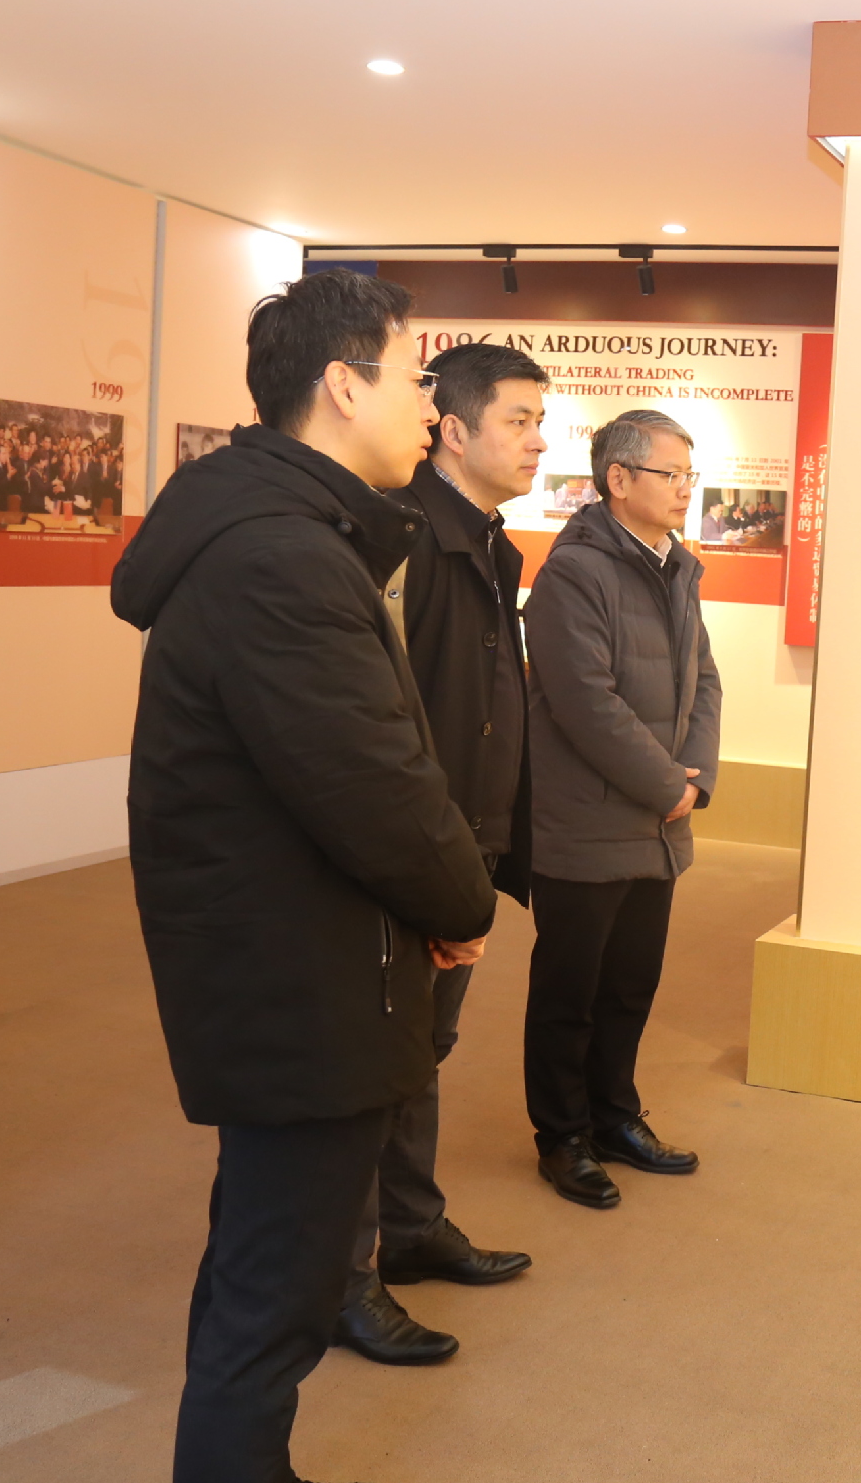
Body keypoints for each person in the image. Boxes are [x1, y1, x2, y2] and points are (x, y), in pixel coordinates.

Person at [111, 269, 495, 1483]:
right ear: (342, 385)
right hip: (298, 985)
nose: (431, 408)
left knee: (263, 1265)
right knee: (275, 1287)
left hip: (300, 965)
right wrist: (461, 901)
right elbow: (371, 782)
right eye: (416, 379)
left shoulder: (291, 536)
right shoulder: (281, 557)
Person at [328, 341, 551, 1366]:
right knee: (377, 1066)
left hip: (464, 849)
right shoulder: (403, 545)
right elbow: (383, 731)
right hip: (415, 856)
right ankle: (345, 1277)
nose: (537, 441)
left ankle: (412, 1229)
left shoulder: (488, 544)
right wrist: (430, 871)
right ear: (455, 432)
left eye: (541, 422)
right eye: (518, 420)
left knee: (421, 1053)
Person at [522, 409, 721, 1208]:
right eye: (671, 474)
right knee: (569, 993)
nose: (684, 489)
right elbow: (585, 702)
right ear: (618, 479)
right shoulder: (574, 574)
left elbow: (705, 680)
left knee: (631, 984)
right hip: (586, 822)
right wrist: (669, 785)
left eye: (688, 474)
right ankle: (562, 1137)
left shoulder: (677, 566)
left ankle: (614, 1116)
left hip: (657, 823)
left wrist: (695, 779)